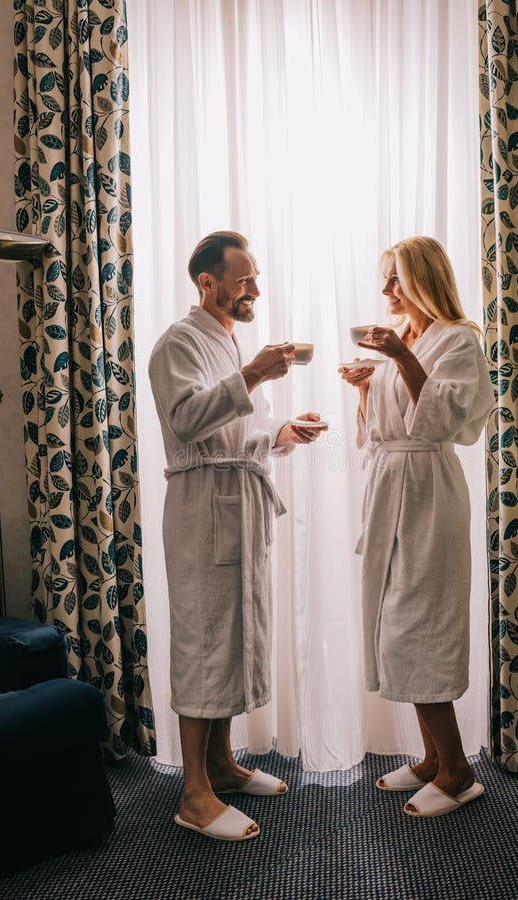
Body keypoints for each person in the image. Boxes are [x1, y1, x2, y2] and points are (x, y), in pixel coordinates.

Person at [149, 231, 326, 841]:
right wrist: (252, 375)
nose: (254, 288)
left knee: (229, 635)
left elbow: (230, 437)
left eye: (255, 277)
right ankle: (194, 796)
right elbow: (186, 422)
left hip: (236, 503)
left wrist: (280, 433)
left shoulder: (226, 341)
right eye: (244, 278)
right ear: (208, 283)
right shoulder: (178, 342)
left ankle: (222, 767)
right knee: (203, 642)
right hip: (203, 514)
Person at [340, 235, 493, 818]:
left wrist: (400, 362)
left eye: (396, 280)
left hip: (429, 494)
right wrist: (364, 388)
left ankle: (457, 771)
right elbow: (386, 426)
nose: (385, 292)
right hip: (391, 487)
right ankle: (431, 759)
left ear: (425, 280)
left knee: (419, 627)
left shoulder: (457, 340)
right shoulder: (406, 339)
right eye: (384, 280)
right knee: (392, 625)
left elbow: (444, 422)